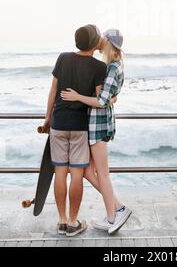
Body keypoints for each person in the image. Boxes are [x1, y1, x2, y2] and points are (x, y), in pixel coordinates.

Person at [61, 29, 131, 235]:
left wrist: (77, 97)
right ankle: (118, 207)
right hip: (96, 124)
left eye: (102, 38)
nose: (98, 41)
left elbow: (102, 101)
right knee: (86, 171)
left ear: (108, 42)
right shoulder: (112, 65)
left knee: (102, 173)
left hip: (99, 125)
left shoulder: (112, 67)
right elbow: (110, 97)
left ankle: (112, 217)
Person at [43, 24, 107, 237]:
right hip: (80, 126)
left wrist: (47, 118)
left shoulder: (63, 58)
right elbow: (99, 100)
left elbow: (53, 90)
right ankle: (73, 222)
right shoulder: (99, 67)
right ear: (94, 42)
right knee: (77, 174)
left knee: (60, 172)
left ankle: (61, 221)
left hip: (58, 123)